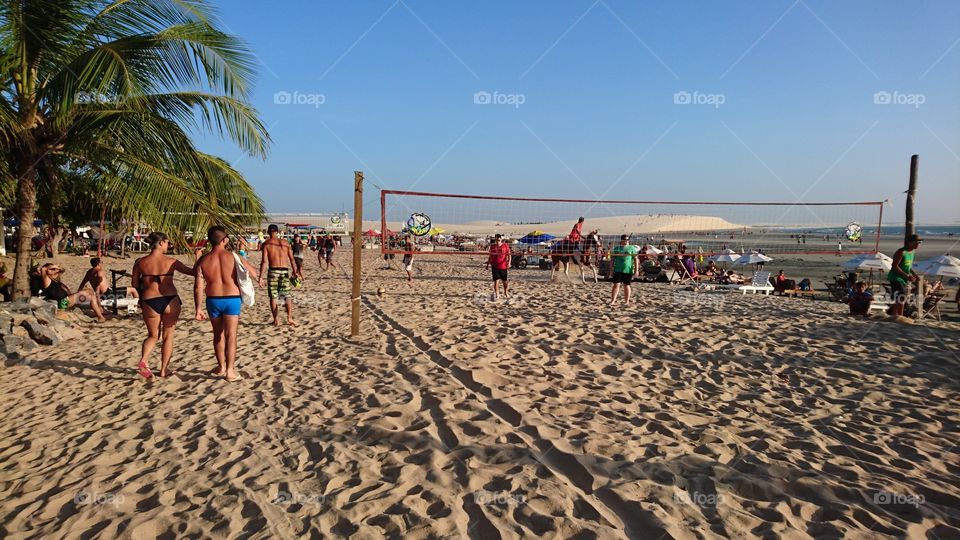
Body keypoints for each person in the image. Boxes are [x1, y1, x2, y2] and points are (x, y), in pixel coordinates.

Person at [195, 226, 259, 381]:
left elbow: (198, 287)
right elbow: (253, 272)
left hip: (213, 300)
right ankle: (230, 371)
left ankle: (221, 367)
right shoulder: (233, 256)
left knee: (218, 334)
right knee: (231, 336)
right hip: (232, 299)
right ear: (224, 240)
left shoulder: (203, 260)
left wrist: (198, 308)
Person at [131, 232, 195, 378]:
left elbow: (134, 284)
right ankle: (164, 369)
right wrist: (197, 257)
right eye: (167, 242)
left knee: (153, 336)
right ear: (160, 243)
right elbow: (192, 272)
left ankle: (144, 360)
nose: (168, 245)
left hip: (150, 300)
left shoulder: (140, 262)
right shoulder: (172, 261)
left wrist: (141, 293)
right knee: (168, 336)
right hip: (170, 299)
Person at [38, 263, 107, 322]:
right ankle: (100, 314)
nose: (55, 271)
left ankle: (100, 315)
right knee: (88, 291)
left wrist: (55, 268)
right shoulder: (46, 280)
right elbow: (43, 269)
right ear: (47, 271)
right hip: (62, 303)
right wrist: (54, 266)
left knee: (91, 295)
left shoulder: (54, 279)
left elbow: (62, 270)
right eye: (52, 269)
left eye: (54, 269)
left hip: (65, 300)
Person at [259, 224, 298, 326]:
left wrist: (260, 276)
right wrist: (295, 271)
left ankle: (276, 320)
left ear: (268, 232)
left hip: (273, 271)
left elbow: (264, 262)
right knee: (287, 296)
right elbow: (292, 259)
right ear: (277, 232)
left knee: (273, 296)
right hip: (284, 271)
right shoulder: (286, 243)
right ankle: (289, 318)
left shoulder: (266, 244)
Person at [887, 234, 922, 319]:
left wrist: (914, 274)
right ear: (909, 242)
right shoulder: (901, 252)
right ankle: (900, 316)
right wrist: (907, 276)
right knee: (901, 296)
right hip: (895, 277)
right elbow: (894, 266)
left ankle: (895, 316)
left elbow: (908, 266)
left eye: (919, 242)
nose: (918, 244)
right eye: (916, 242)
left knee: (900, 298)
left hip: (903, 278)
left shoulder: (912, 252)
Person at [609, 234, 639, 304]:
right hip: (617, 270)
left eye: (628, 240)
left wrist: (636, 270)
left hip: (628, 270)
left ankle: (626, 301)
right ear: (622, 240)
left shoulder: (632, 248)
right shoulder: (616, 248)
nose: (627, 241)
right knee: (616, 285)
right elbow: (612, 260)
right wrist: (611, 270)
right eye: (625, 239)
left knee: (626, 285)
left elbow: (636, 259)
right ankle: (613, 301)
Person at [486, 234, 511, 300]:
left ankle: (506, 292)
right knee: (496, 281)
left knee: (505, 281)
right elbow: (490, 256)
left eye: (498, 240)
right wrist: (487, 265)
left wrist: (509, 263)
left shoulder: (505, 245)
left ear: (501, 239)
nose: (497, 241)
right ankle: (497, 294)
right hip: (494, 266)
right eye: (496, 240)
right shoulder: (492, 247)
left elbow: (509, 255)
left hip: (503, 266)